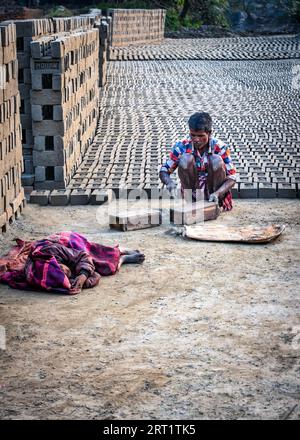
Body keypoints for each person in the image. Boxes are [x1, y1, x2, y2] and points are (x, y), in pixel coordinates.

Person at [0, 232, 145, 295]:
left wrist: (81, 275)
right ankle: (122, 259)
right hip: (68, 257)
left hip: (64, 241)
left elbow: (81, 256)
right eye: (66, 274)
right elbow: (95, 275)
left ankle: (122, 250)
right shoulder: (50, 279)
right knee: (104, 268)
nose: (68, 273)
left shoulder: (52, 252)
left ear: (56, 264)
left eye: (64, 270)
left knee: (91, 253)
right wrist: (83, 278)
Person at [159, 112, 236, 211]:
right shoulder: (181, 147)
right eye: (193, 135)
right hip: (192, 193)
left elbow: (232, 177)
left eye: (200, 136)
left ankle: (215, 203)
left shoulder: (220, 147)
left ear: (209, 133)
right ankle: (192, 204)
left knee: (216, 160)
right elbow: (164, 170)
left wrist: (217, 193)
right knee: (185, 159)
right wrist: (168, 182)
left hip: (215, 193)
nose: (196, 139)